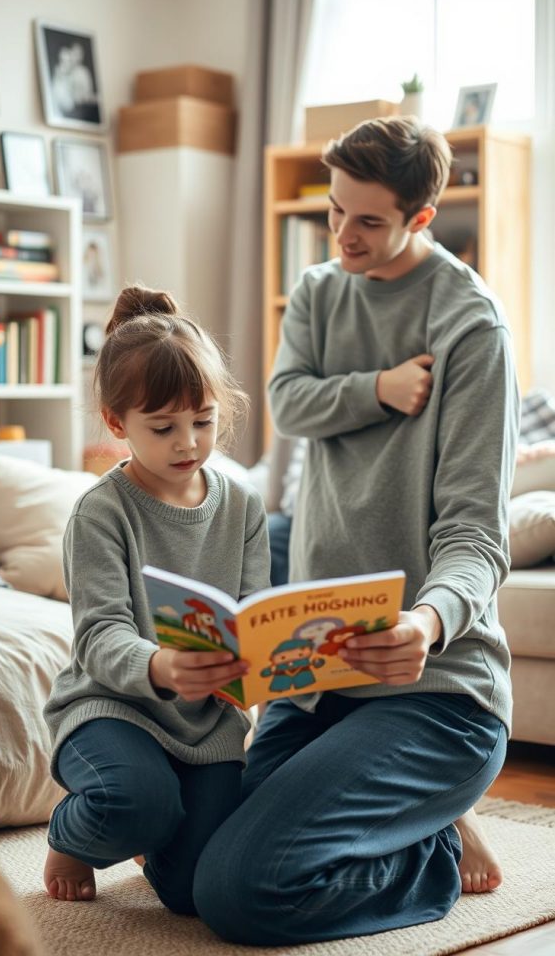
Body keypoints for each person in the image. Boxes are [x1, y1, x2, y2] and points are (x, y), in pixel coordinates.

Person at [192, 116, 519, 945]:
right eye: (334, 211)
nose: (342, 234)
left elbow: (477, 535)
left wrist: (426, 621)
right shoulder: (317, 291)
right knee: (186, 867)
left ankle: (430, 848)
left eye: (367, 220)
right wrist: (376, 388)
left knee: (242, 894)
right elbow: (287, 402)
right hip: (315, 675)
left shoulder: (470, 327)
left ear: (420, 217)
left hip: (433, 691)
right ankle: (419, 821)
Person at [43, 285, 270, 910]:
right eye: (164, 427)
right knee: (133, 804)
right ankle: (74, 833)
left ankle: (150, 827)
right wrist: (162, 665)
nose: (188, 443)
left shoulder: (244, 505)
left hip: (210, 724)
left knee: (193, 892)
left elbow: (254, 612)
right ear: (118, 424)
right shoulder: (100, 513)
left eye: (203, 422)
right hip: (112, 708)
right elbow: (99, 635)